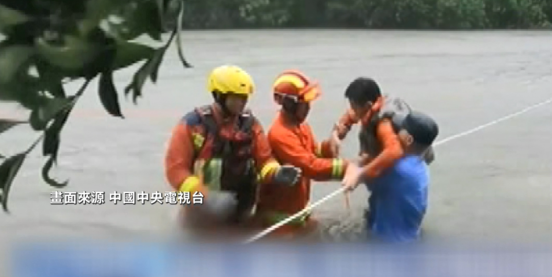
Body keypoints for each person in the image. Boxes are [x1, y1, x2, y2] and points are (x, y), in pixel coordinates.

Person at [164, 65, 301, 235]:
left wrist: (276, 173)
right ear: (220, 96)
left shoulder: (250, 126)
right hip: (200, 214)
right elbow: (176, 170)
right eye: (237, 97)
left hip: (240, 210)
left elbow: (264, 160)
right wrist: (206, 197)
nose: (243, 101)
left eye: (244, 97)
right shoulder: (193, 126)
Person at [261, 69, 351, 235]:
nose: (309, 107)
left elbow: (313, 154)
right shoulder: (280, 134)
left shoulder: (301, 126)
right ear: (289, 103)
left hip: (299, 214)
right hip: (282, 224)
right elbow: (311, 167)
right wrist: (349, 168)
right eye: (304, 102)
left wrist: (329, 146)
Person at [343, 111, 439, 242]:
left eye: (400, 130)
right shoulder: (421, 166)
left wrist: (355, 166)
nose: (395, 132)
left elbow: (366, 176)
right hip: (409, 237)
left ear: (408, 139)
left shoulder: (397, 169)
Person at [333, 77, 434, 190]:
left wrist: (360, 174)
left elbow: (394, 151)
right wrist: (342, 128)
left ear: (368, 106)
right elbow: (352, 114)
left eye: (353, 106)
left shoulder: (384, 124)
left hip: (405, 168)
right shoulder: (377, 103)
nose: (351, 110)